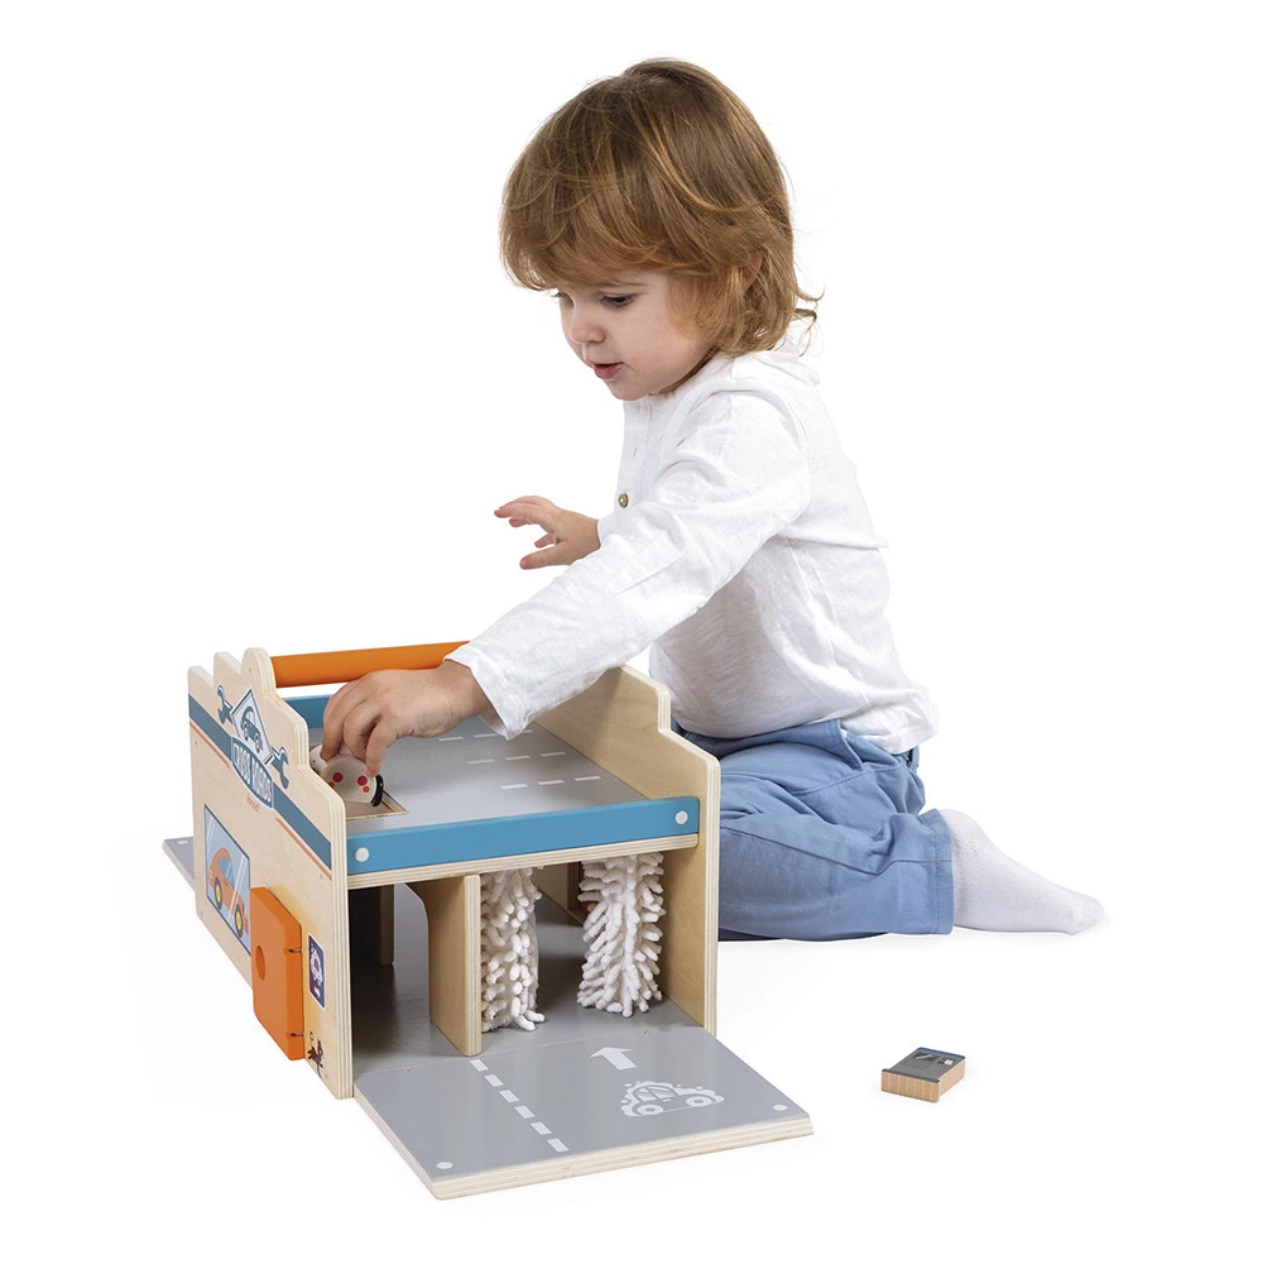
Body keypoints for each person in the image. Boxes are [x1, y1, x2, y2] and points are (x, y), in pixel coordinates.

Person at [320, 58, 1103, 940]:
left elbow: (665, 561)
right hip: (712, 739)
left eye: (615, 295)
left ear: (735, 271)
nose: (582, 325)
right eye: (565, 296)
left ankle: (934, 869)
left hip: (834, 753)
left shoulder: (750, 412)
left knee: (670, 862)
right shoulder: (669, 385)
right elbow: (680, 528)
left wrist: (467, 680)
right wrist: (600, 531)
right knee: (618, 854)